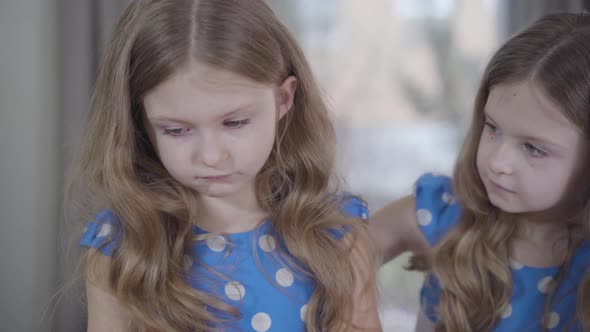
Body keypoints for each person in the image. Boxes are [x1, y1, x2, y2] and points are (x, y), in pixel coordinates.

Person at [68, 0, 381, 331]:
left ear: (284, 99)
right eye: (176, 130)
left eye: (234, 123)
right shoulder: (123, 247)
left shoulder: (336, 234)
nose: (211, 156)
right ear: (140, 122)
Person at [370, 12, 590, 332]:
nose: (497, 161)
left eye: (533, 148)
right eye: (492, 127)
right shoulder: (445, 214)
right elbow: (339, 254)